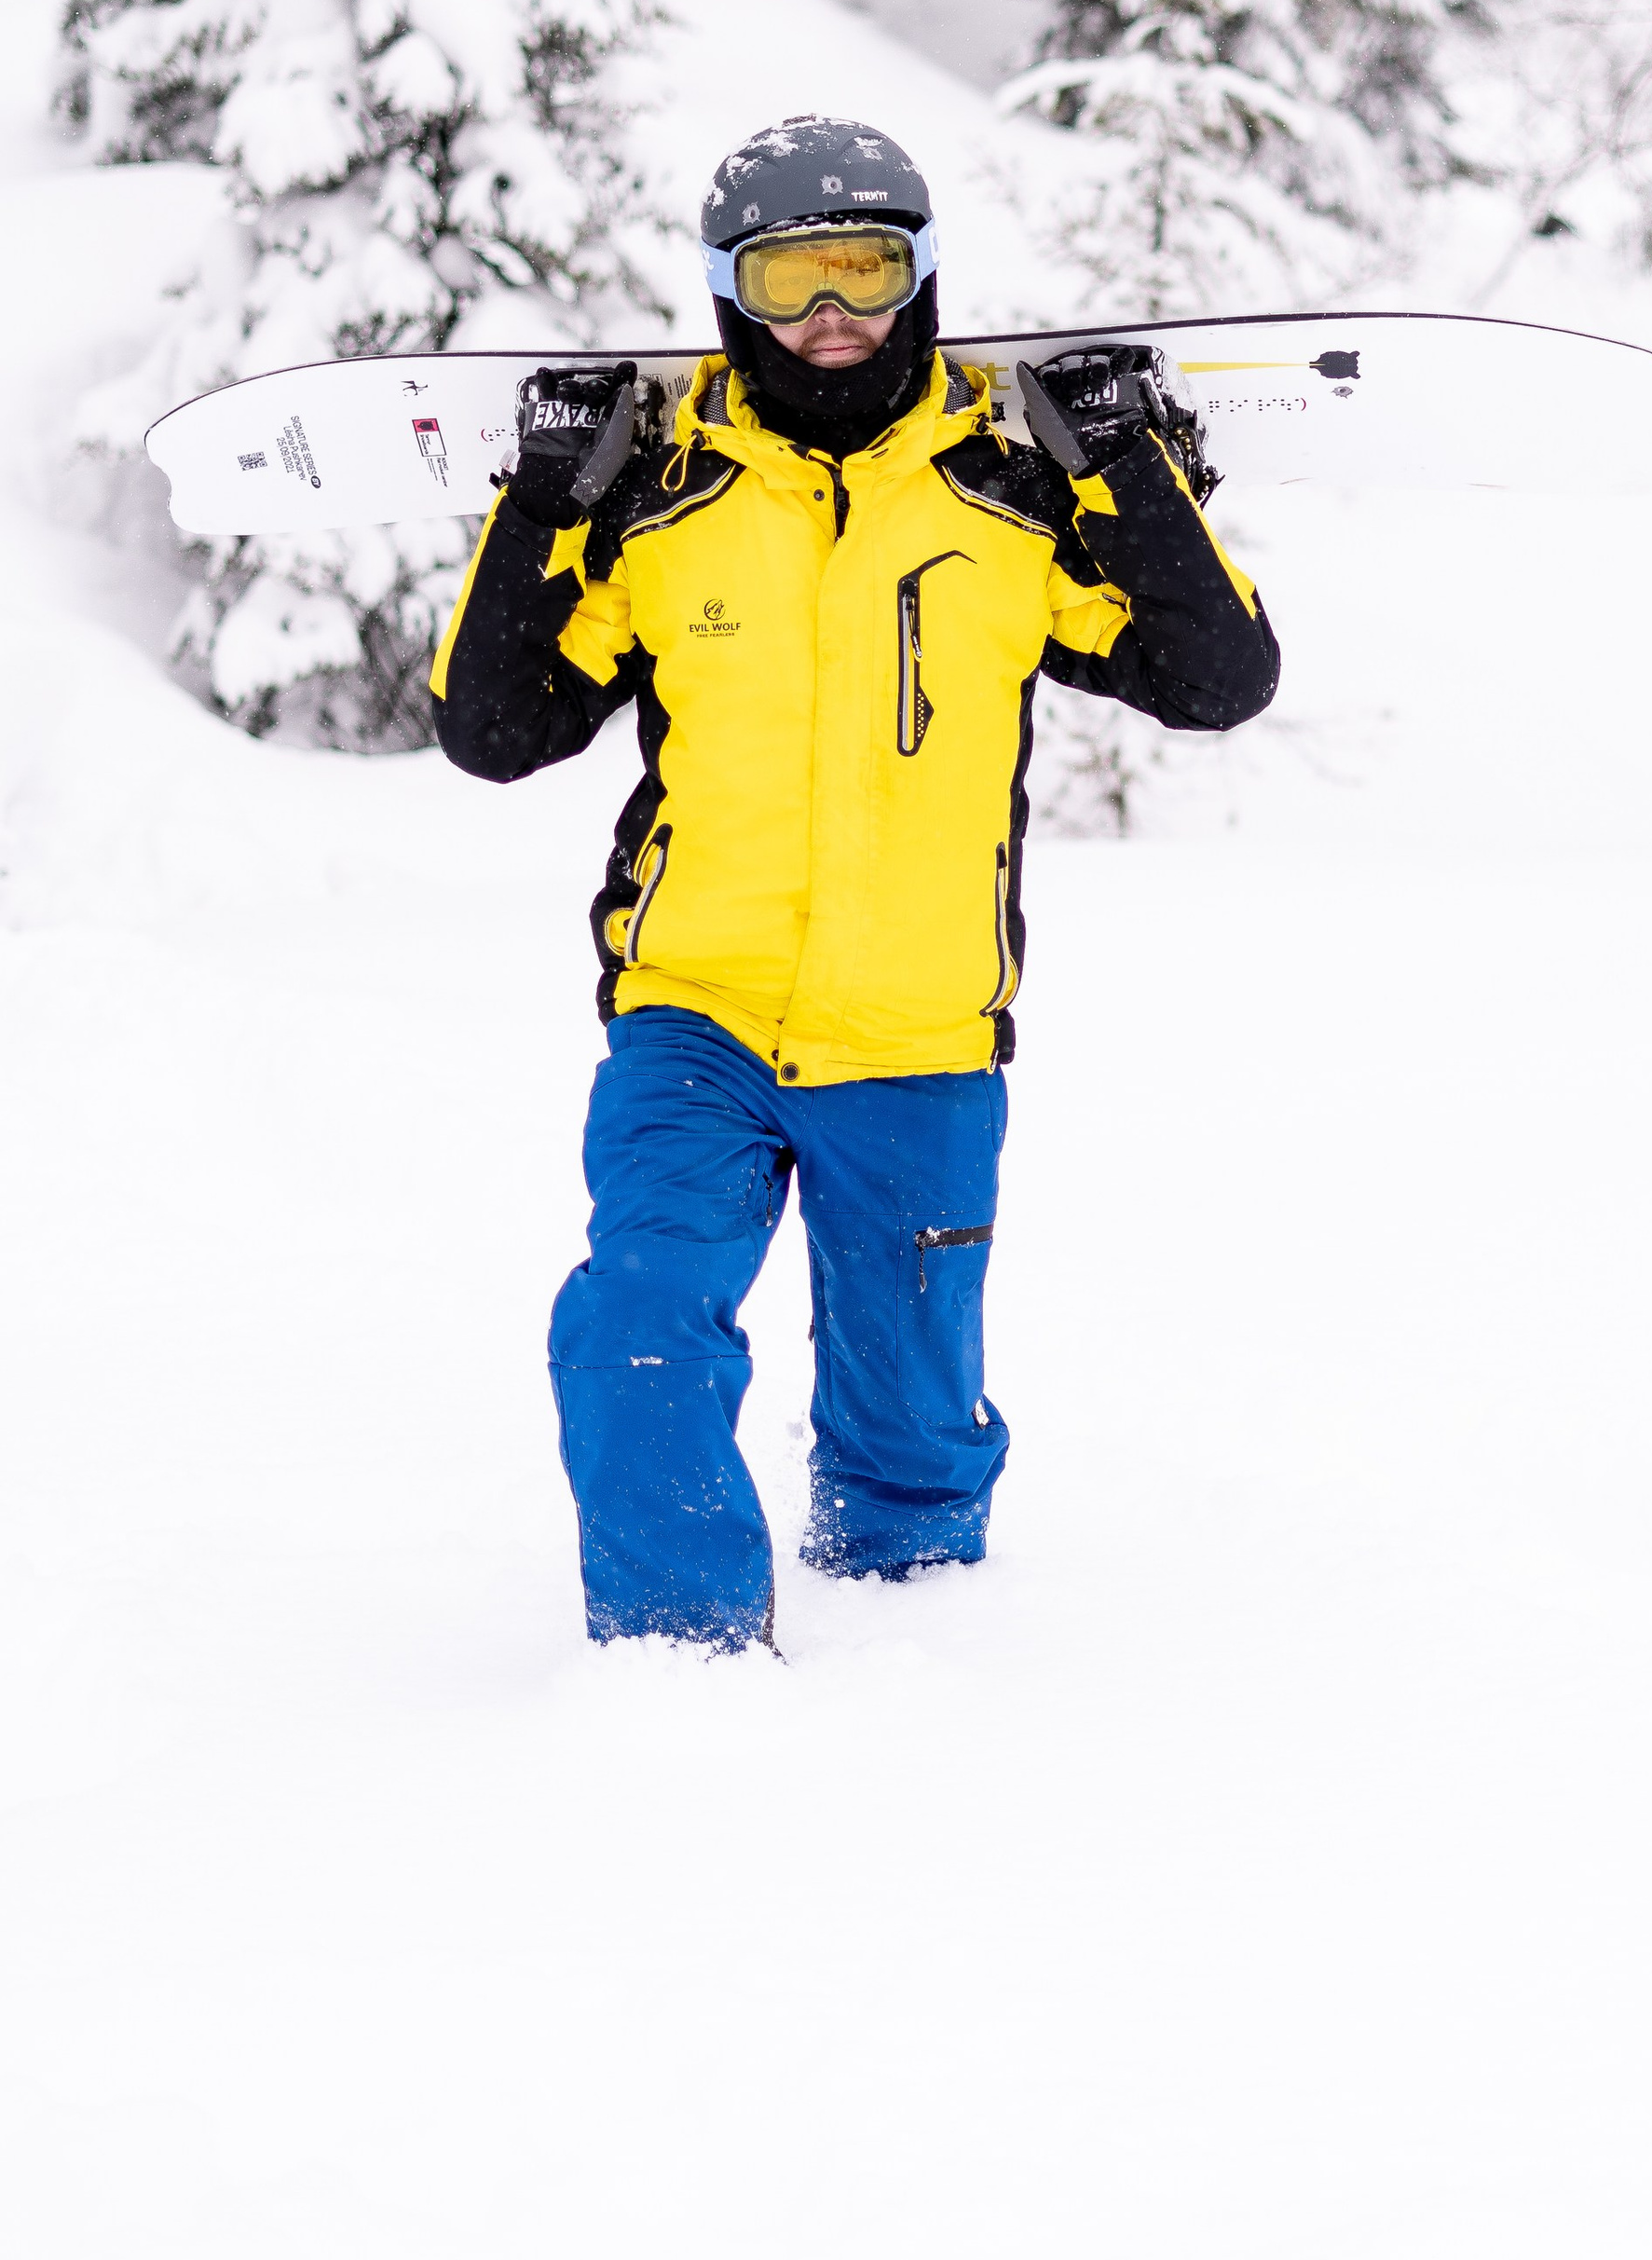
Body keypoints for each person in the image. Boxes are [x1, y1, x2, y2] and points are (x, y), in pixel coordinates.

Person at [430, 116, 1279, 1647]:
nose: (832, 315)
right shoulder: (661, 506)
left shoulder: (1011, 501)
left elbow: (1219, 679)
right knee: (635, 1326)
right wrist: (543, 497)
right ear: (729, 295)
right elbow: (492, 730)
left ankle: (916, 1654)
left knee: (911, 1447)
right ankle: (680, 1661)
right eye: (790, 279)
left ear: (922, 275)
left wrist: (1132, 469)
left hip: (920, 1034)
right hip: (696, 1015)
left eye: (867, 271)